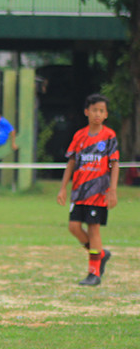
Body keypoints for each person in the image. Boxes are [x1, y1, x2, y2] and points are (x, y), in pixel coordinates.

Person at [57, 94, 118, 286]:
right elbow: (72, 162)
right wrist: (63, 188)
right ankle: (100, 254)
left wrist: (113, 190)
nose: (97, 114)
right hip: (79, 191)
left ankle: (94, 274)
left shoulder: (109, 136)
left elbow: (114, 164)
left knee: (93, 230)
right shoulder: (79, 136)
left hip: (98, 192)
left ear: (106, 114)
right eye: (94, 110)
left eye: (101, 110)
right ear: (86, 112)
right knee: (74, 227)